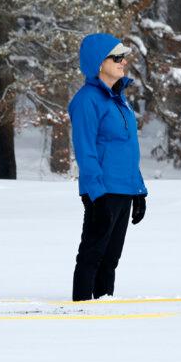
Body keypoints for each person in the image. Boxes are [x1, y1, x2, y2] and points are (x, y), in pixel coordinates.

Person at [69, 33, 148, 301]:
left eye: (123, 57)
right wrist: (96, 194)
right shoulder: (86, 100)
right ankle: (80, 309)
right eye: (116, 57)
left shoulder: (120, 100)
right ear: (98, 62)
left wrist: (139, 190)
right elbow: (85, 150)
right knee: (92, 254)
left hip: (124, 189)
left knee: (111, 259)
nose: (123, 62)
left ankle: (104, 310)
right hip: (102, 190)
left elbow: (127, 148)